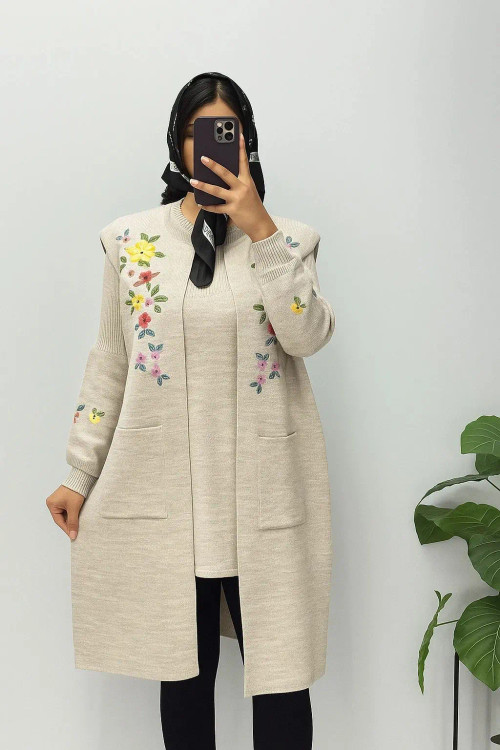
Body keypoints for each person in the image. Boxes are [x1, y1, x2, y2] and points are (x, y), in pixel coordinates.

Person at [46, 71, 336, 750]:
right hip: (170, 505)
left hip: (264, 503)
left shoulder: (290, 240)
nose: (210, 148)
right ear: (177, 144)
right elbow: (110, 362)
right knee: (184, 685)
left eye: (225, 133)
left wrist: (261, 231)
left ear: (247, 143)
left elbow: (307, 335)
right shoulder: (131, 243)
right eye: (197, 133)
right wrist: (79, 474)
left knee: (282, 686)